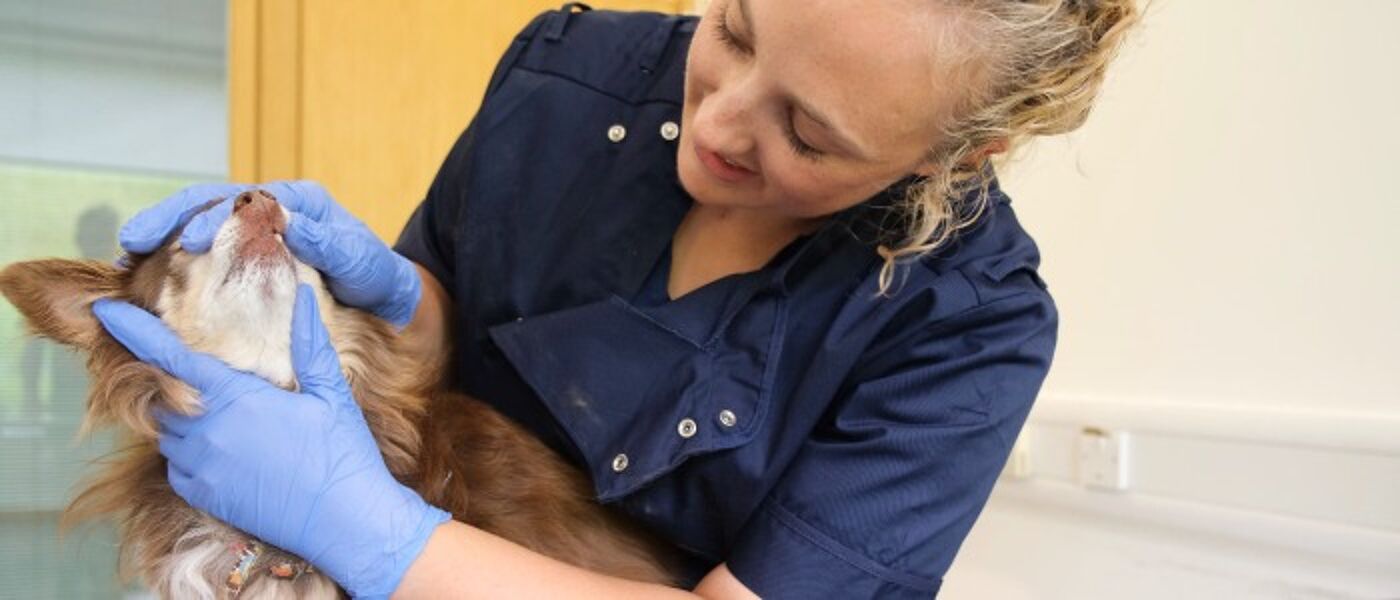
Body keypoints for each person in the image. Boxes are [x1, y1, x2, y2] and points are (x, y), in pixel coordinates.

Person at [92, 0, 1137, 597]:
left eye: (809, 134)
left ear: (960, 151)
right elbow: (444, 347)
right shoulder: (567, 75)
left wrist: (372, 533)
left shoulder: (965, 327)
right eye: (731, 28)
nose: (719, 125)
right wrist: (399, 298)